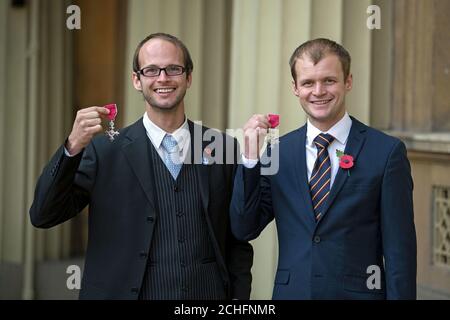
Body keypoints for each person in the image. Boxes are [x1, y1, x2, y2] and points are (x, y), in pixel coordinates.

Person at [30, 33, 253, 300]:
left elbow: (237, 239)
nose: (163, 78)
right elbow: (43, 214)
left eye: (173, 69)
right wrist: (72, 147)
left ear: (188, 77)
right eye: (151, 70)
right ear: (137, 79)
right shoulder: (105, 151)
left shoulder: (222, 148)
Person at [230, 38, 416, 299]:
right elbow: (244, 228)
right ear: (295, 87)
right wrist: (250, 157)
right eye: (308, 82)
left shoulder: (386, 152)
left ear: (348, 82)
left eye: (329, 80)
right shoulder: (277, 152)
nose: (318, 91)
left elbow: (400, 251)